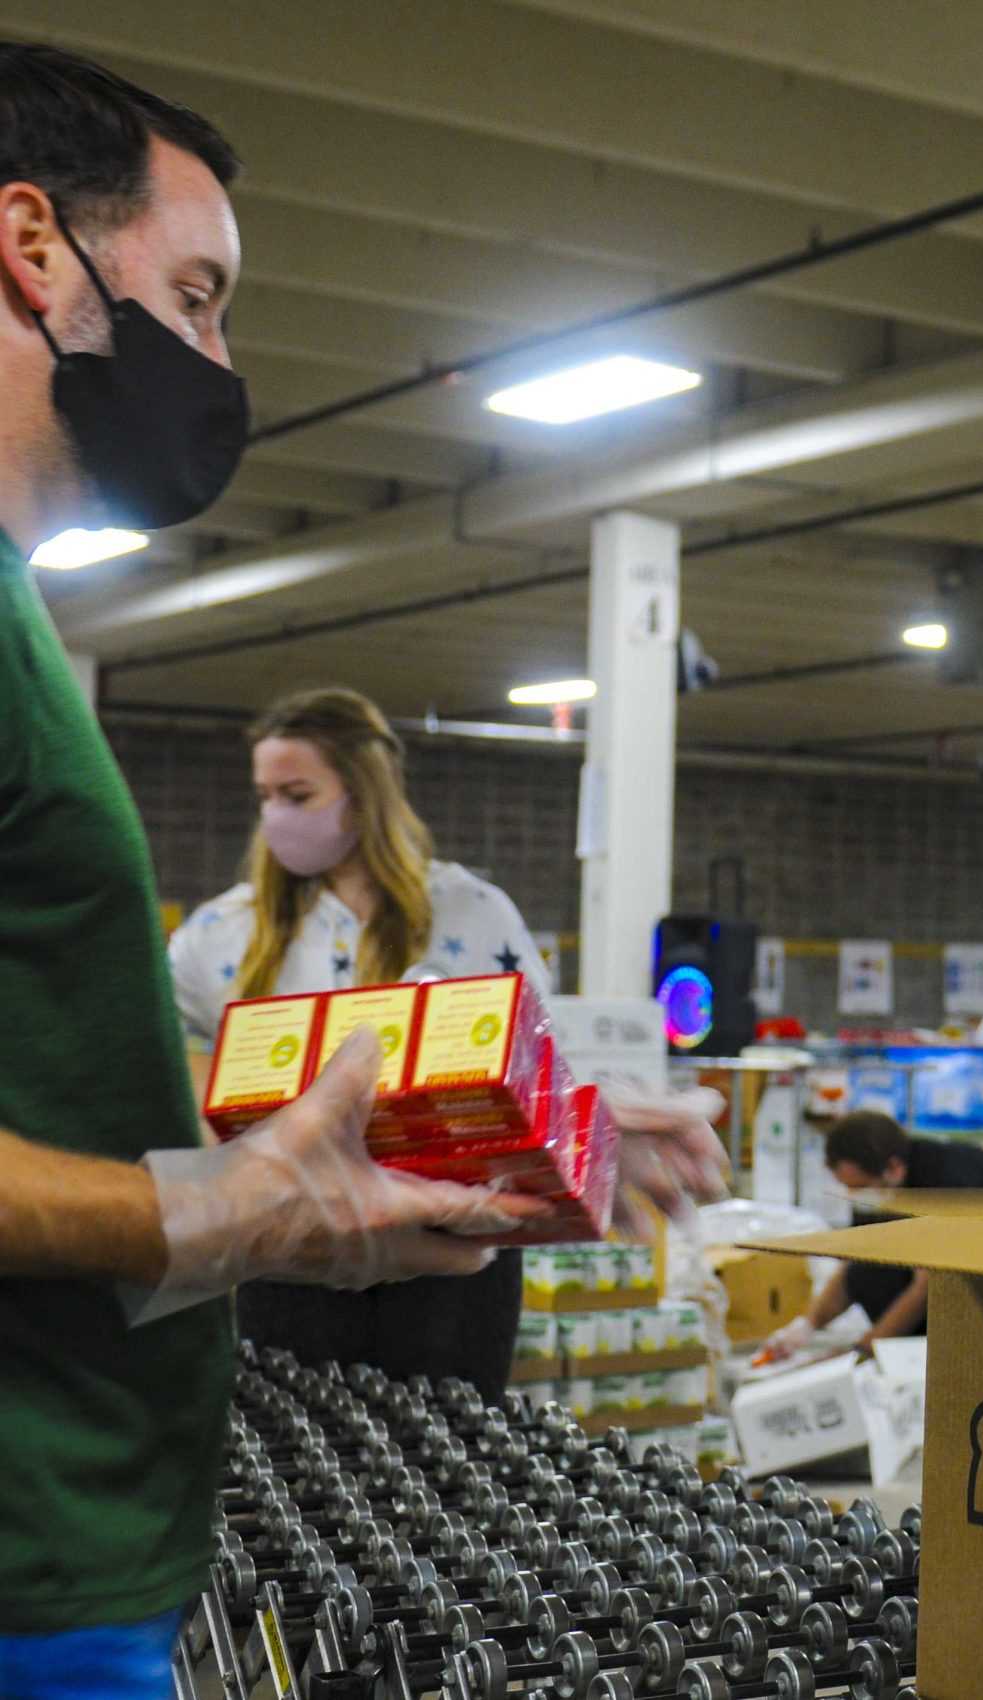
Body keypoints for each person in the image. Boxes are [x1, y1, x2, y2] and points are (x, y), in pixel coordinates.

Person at [0, 47, 725, 1688]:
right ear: (34, 249)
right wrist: (244, 1205)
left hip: (90, 1543)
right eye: (197, 293)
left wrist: (294, 1218)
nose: (216, 359)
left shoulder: (24, 628)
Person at [167, 686, 555, 1400]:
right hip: (295, 1243)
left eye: (297, 794)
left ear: (364, 793)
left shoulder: (473, 914)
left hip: (452, 1244)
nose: (275, 817)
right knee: (300, 1462)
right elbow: (174, 1084)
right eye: (265, 797)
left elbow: (537, 1071)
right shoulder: (221, 935)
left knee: (452, 1454)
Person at [755, 1110, 983, 1364]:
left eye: (860, 1187)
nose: (855, 1198)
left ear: (894, 1169)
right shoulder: (878, 1187)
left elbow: (928, 1286)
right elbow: (856, 1264)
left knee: (901, 1280)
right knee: (871, 1268)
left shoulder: (943, 1185)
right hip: (943, 1273)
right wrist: (805, 1326)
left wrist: (863, 1351)